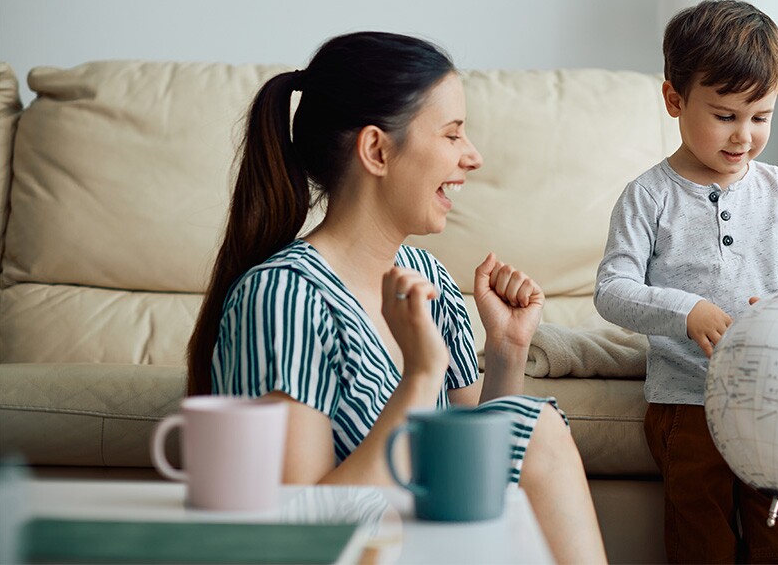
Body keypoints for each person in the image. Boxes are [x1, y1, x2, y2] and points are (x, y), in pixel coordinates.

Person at [185, 31, 607, 564]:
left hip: (424, 543)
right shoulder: (284, 296)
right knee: (536, 428)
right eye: (452, 135)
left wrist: (506, 351)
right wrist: (421, 376)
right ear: (377, 150)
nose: (473, 158)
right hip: (345, 552)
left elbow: (473, 465)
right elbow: (296, 531)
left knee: (529, 424)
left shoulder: (423, 274)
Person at [594, 0, 778, 563]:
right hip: (688, 402)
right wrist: (686, 311)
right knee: (700, 540)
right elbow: (612, 289)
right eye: (725, 115)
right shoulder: (647, 196)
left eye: (761, 116)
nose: (743, 135)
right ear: (675, 99)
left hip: (772, 398)